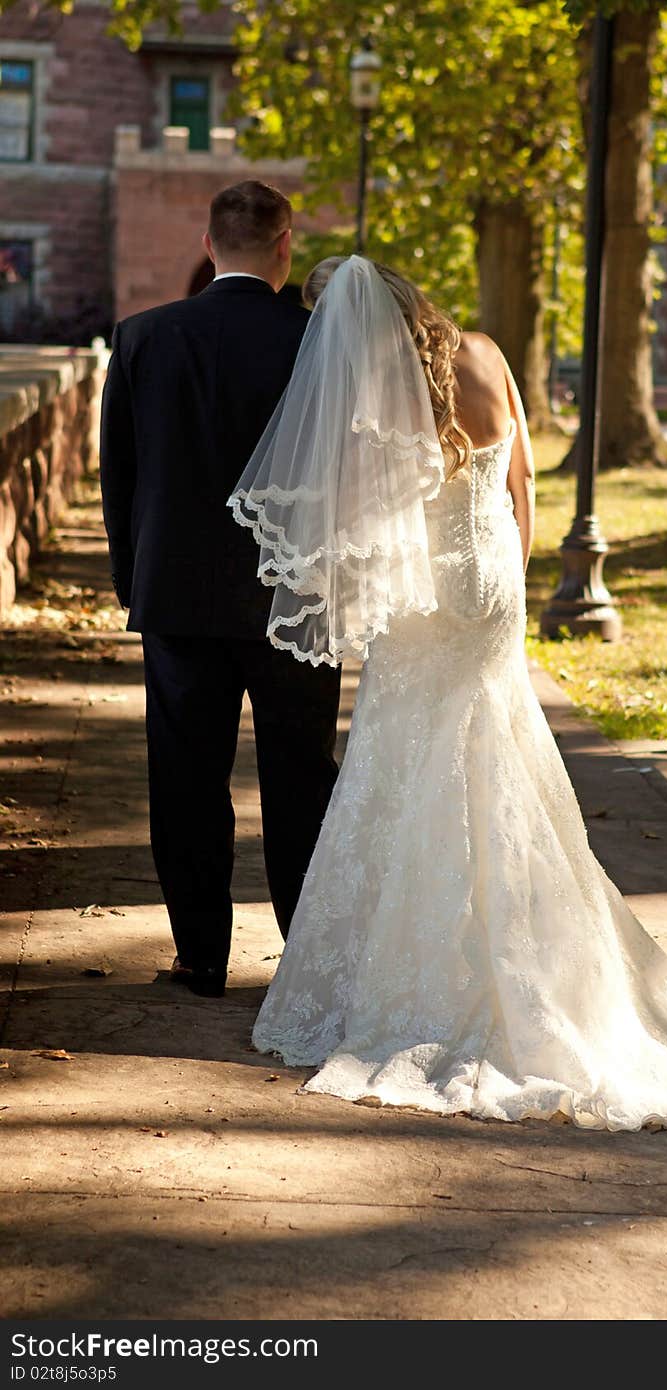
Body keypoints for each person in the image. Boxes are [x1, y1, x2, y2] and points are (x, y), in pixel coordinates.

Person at [230, 255, 667, 1130]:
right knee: (499, 748)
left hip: (428, 598)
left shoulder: (380, 390)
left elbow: (359, 513)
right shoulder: (489, 353)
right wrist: (511, 578)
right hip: (493, 575)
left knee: (412, 758)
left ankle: (424, 976)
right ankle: (539, 956)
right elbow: (524, 481)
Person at [99, 182, 341, 999]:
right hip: (296, 595)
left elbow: (120, 480)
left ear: (210, 243)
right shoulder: (319, 345)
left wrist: (134, 580)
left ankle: (201, 958)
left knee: (187, 778)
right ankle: (304, 958)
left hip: (179, 594)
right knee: (301, 779)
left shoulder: (142, 338)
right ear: (285, 247)